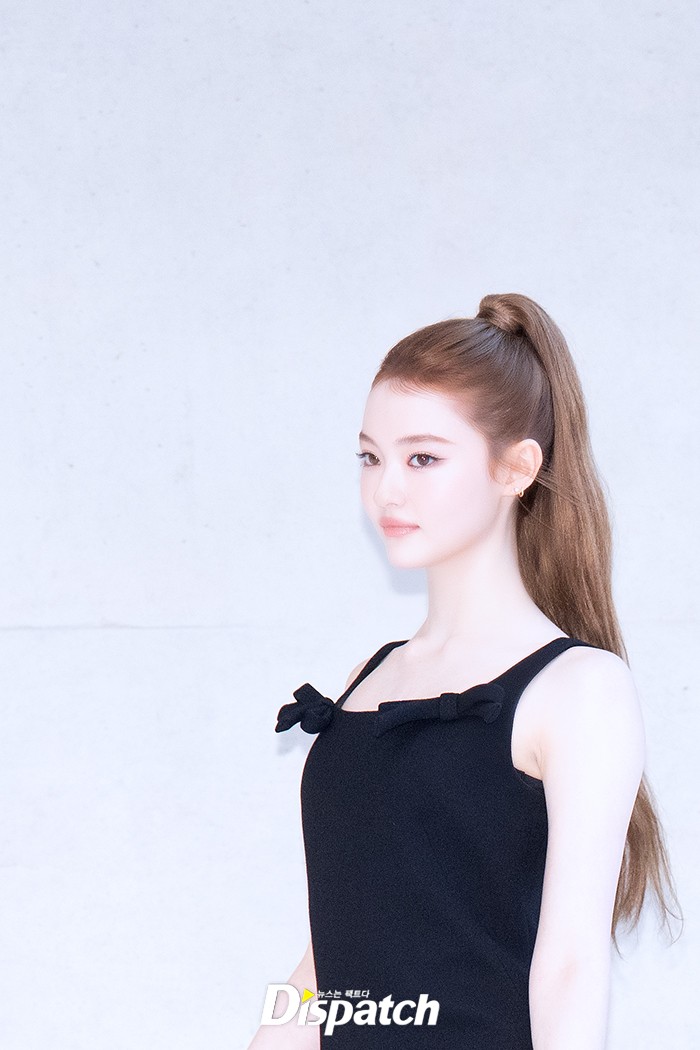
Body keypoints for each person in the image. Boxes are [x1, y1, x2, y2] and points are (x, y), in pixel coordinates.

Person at [248, 293, 681, 1049]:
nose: (387, 488)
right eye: (371, 457)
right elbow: (330, 960)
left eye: (422, 458)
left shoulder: (577, 689)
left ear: (518, 467)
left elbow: (570, 966)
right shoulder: (369, 678)